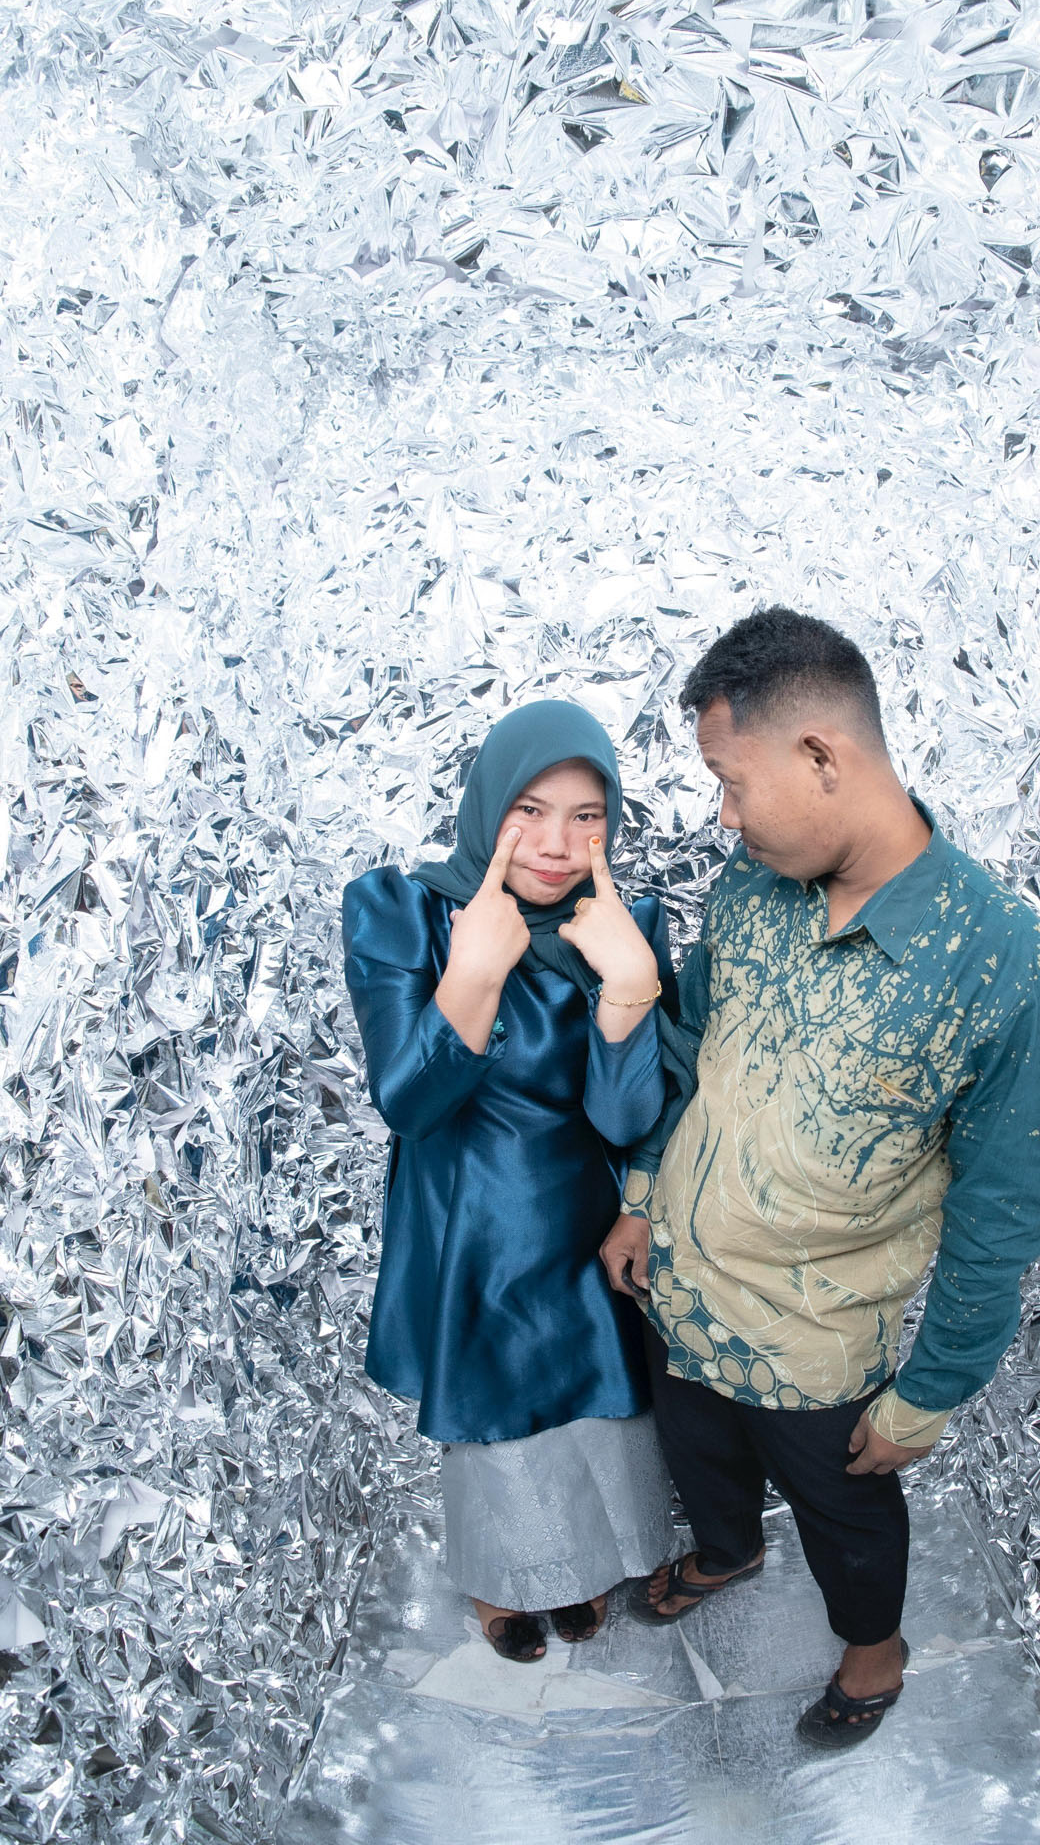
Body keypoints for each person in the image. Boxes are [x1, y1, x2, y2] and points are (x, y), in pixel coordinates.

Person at [600, 608, 1040, 1746]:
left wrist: (932, 1391)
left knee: (847, 1517)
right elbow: (688, 1045)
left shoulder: (1000, 959)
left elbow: (1000, 1210)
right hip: (679, 1292)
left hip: (812, 1346)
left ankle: (874, 1651)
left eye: (731, 782)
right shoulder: (751, 884)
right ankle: (726, 1552)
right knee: (698, 1458)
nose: (723, 815)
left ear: (820, 756)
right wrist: (641, 1196)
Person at [343, 700, 680, 1662]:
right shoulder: (403, 911)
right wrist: (476, 973)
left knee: (594, 1405)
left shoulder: (620, 925)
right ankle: (504, 1583)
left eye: (587, 817)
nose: (558, 843)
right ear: (490, 803)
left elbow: (626, 1120)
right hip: (468, 1217)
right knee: (495, 1421)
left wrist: (628, 985)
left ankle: (579, 1567)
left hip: (578, 1211)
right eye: (530, 810)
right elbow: (410, 1105)